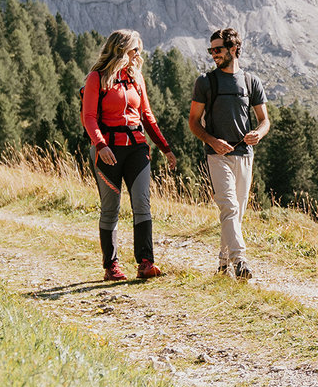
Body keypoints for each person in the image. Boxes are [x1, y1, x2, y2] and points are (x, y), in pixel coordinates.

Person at [81, 29, 178, 281]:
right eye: (135, 49)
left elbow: (147, 116)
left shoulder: (136, 78)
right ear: (121, 50)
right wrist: (101, 145)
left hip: (137, 148)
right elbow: (89, 117)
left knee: (142, 204)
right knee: (110, 208)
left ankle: (146, 263)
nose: (139, 54)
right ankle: (110, 266)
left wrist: (165, 148)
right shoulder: (97, 78)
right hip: (107, 151)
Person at [189, 27, 268, 279]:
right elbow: (193, 122)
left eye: (218, 49)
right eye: (211, 50)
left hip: (245, 155)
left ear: (234, 49)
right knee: (229, 207)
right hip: (217, 156)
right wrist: (212, 141)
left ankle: (224, 265)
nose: (214, 54)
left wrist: (259, 133)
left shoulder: (251, 81)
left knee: (237, 212)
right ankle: (241, 260)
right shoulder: (205, 81)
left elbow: (265, 120)